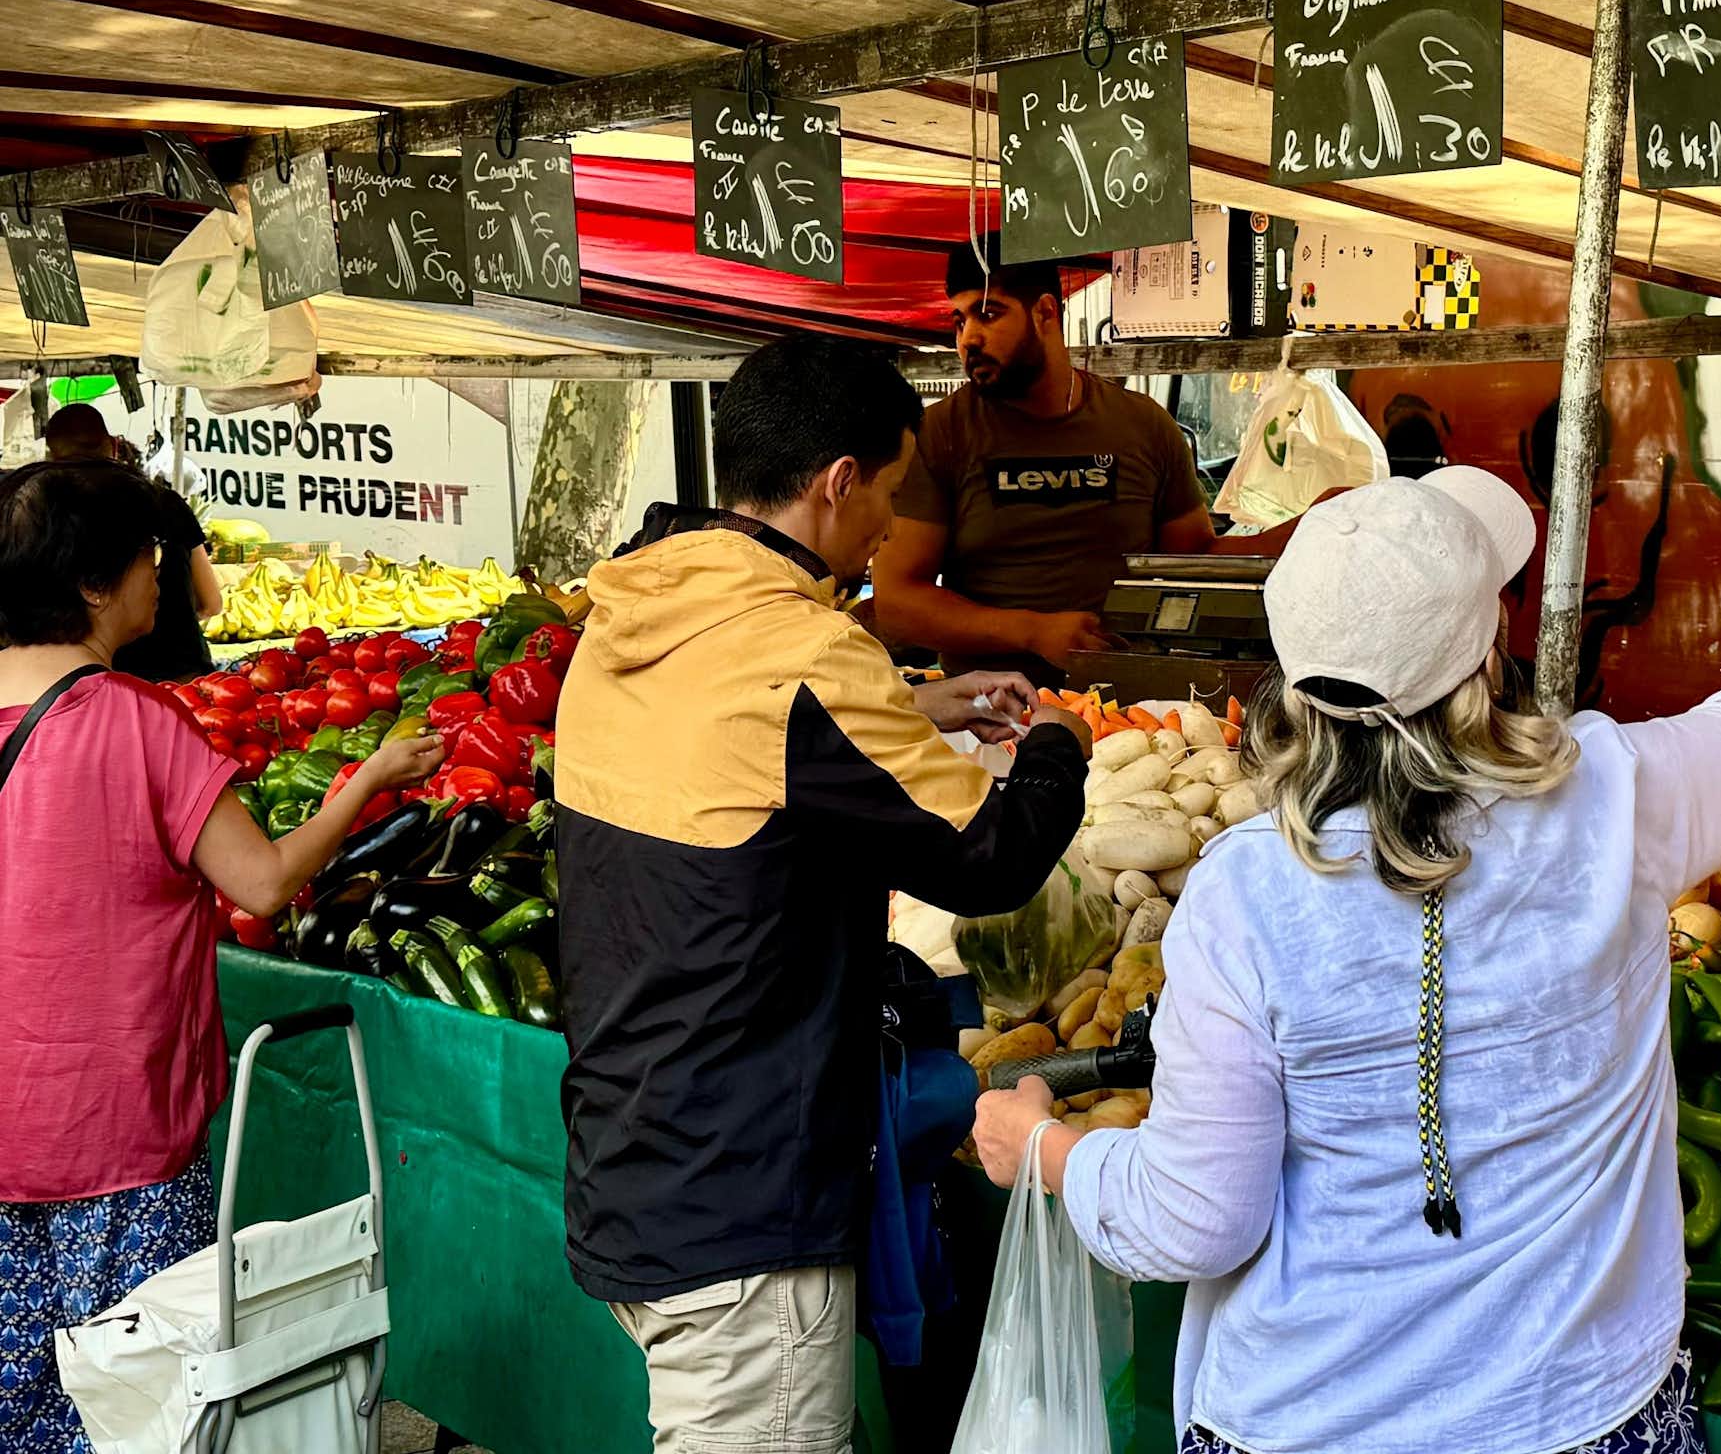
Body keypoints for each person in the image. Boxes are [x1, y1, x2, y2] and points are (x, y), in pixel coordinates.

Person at [974, 401, 1721, 1454]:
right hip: (1582, 1417)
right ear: (1486, 650)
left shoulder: (1246, 894)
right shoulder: (1612, 797)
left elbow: (1196, 1217)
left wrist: (1044, 1148)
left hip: (1311, 1423)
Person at [554, 334, 1092, 1454]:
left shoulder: (632, 614)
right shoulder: (802, 652)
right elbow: (990, 858)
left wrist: (921, 708)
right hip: (746, 1202)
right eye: (889, 492)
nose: (892, 528)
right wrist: (1056, 744)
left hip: (638, 1158)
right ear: (838, 480)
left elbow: (753, 750)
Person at [0, 459, 442, 1454]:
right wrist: (370, 773)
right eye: (146, 555)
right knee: (153, 1410)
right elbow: (263, 882)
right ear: (90, 583)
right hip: (120, 1139)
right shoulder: (137, 721)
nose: (163, 572)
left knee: (21, 1412)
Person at [870, 240, 1220, 678]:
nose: (968, 339)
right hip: (987, 715)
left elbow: (1195, 561)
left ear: (1046, 313)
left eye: (988, 313)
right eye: (958, 321)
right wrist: (1033, 632)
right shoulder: (938, 434)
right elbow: (897, 602)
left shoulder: (1144, 425)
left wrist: (1305, 530)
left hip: (1130, 709)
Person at [41, 403, 221, 684]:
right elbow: (211, 602)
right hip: (184, 680)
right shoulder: (165, 503)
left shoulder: (47, 519)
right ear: (113, 445)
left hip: (95, 684)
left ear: (51, 456)